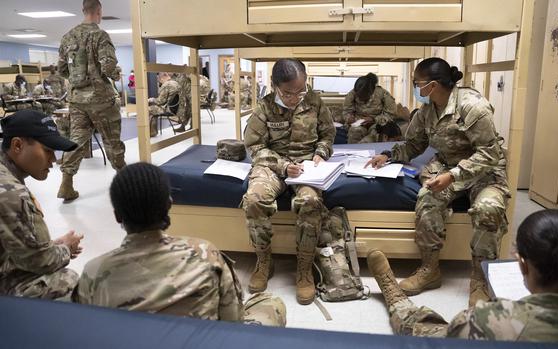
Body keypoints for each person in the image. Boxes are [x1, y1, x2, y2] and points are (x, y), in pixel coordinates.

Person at [365, 57, 509, 306]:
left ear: (431, 85)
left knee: (489, 209)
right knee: (427, 198)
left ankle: (481, 278)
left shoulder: (472, 106)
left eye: (416, 83)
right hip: (447, 165)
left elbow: (489, 153)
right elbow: (414, 144)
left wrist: (452, 175)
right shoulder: (427, 111)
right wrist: (388, 155)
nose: (414, 87)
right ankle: (430, 269)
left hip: (483, 170)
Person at [74, 162, 286, 327]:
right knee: (270, 305)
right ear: (169, 205)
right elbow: (232, 323)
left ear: (117, 216)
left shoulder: (93, 273)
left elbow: (88, 330)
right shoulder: (205, 254)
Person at [366, 209, 558, 342]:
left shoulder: (492, 320)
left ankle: (397, 302)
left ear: (522, 265)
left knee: (425, 331)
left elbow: (441, 341)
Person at [243, 58, 335, 305]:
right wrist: (283, 166)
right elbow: (254, 146)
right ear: (274, 86)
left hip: (307, 165)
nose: (295, 98)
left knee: (311, 201)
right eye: (288, 93)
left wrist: (321, 152)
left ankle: (304, 268)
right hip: (274, 164)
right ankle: (264, 261)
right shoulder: (263, 108)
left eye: (300, 91)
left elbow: (328, 134)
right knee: (254, 199)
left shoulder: (314, 101)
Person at [0, 110, 84, 299]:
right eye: (47, 150)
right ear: (17, 145)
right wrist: (65, 249)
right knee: (66, 281)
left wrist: (51, 246)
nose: (53, 159)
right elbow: (40, 262)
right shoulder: (11, 193)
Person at [57, 0, 126, 202]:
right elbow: (108, 68)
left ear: (83, 11)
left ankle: (66, 184)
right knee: (112, 140)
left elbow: (62, 70)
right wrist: (116, 74)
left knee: (76, 139)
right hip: (101, 99)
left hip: (77, 99)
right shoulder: (100, 35)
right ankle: (124, 183)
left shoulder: (67, 37)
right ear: (99, 11)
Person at [343, 73, 397, 144]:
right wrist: (349, 118)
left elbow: (391, 114)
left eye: (363, 95)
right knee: (354, 132)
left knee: (375, 135)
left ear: (371, 92)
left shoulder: (382, 94)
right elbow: (346, 111)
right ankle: (352, 153)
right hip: (358, 124)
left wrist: (373, 119)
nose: (360, 98)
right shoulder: (352, 94)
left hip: (377, 124)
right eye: (358, 95)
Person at [148, 72, 180, 136]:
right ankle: (152, 132)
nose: (159, 82)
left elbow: (160, 101)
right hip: (178, 109)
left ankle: (150, 132)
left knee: (148, 109)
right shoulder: (176, 83)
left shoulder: (166, 85)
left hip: (170, 110)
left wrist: (151, 100)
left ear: (161, 78)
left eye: (159, 80)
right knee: (154, 109)